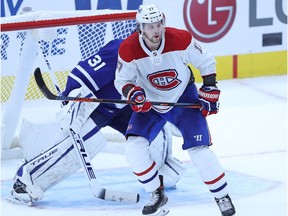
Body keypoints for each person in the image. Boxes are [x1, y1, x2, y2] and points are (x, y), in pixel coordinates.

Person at [9, 39, 186, 206]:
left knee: (156, 129)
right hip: (97, 106)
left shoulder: (163, 58)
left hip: (126, 107)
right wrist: (71, 101)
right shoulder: (120, 49)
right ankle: (26, 181)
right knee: (86, 145)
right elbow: (82, 75)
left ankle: (160, 170)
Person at [114, 4, 236, 216]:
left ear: (164, 23)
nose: (155, 30)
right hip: (150, 103)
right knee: (134, 147)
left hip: (183, 97)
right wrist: (133, 93)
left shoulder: (181, 39)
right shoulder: (128, 48)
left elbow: (206, 62)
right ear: (140, 27)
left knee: (199, 151)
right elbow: (122, 81)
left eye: (158, 24)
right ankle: (156, 193)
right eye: (150, 26)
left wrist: (210, 88)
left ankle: (222, 196)